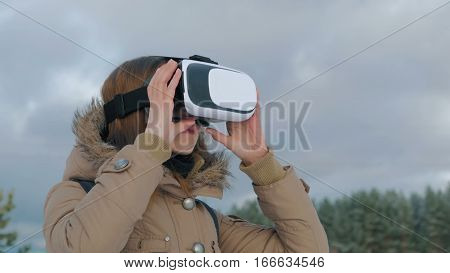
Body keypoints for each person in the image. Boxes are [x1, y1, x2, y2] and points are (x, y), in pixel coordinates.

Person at [43, 56, 329, 253]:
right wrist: (152, 146)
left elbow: (308, 256)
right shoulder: (74, 195)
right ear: (136, 115)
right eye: (176, 109)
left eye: (198, 112)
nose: (193, 122)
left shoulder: (207, 221)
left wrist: (262, 164)